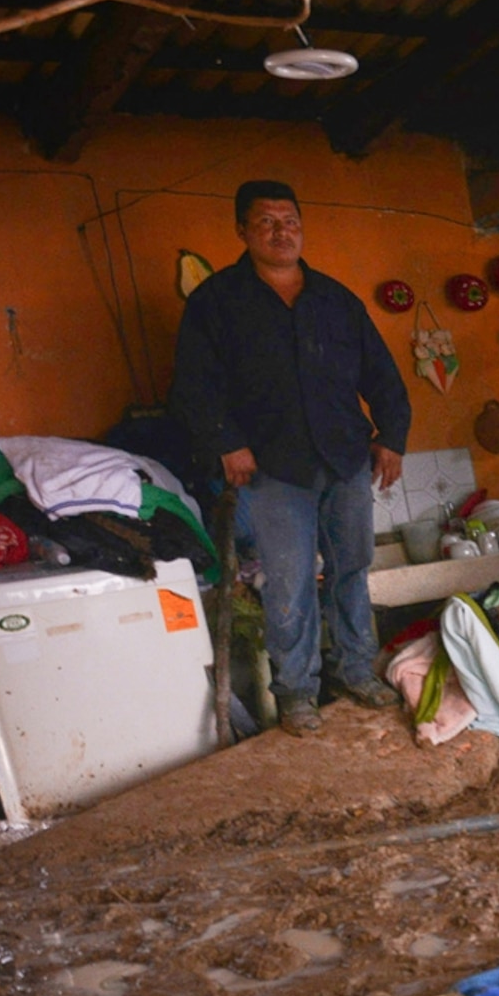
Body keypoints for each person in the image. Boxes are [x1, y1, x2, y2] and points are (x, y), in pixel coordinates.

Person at [170, 179, 411, 736]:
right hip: (272, 468)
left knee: (352, 569)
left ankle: (355, 670)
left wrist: (391, 436)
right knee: (289, 580)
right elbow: (193, 386)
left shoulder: (336, 300)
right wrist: (226, 441)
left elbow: (383, 375)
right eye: (267, 223)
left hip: (346, 457)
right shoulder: (216, 303)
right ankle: (298, 692)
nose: (282, 233)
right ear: (242, 232)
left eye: (291, 221)